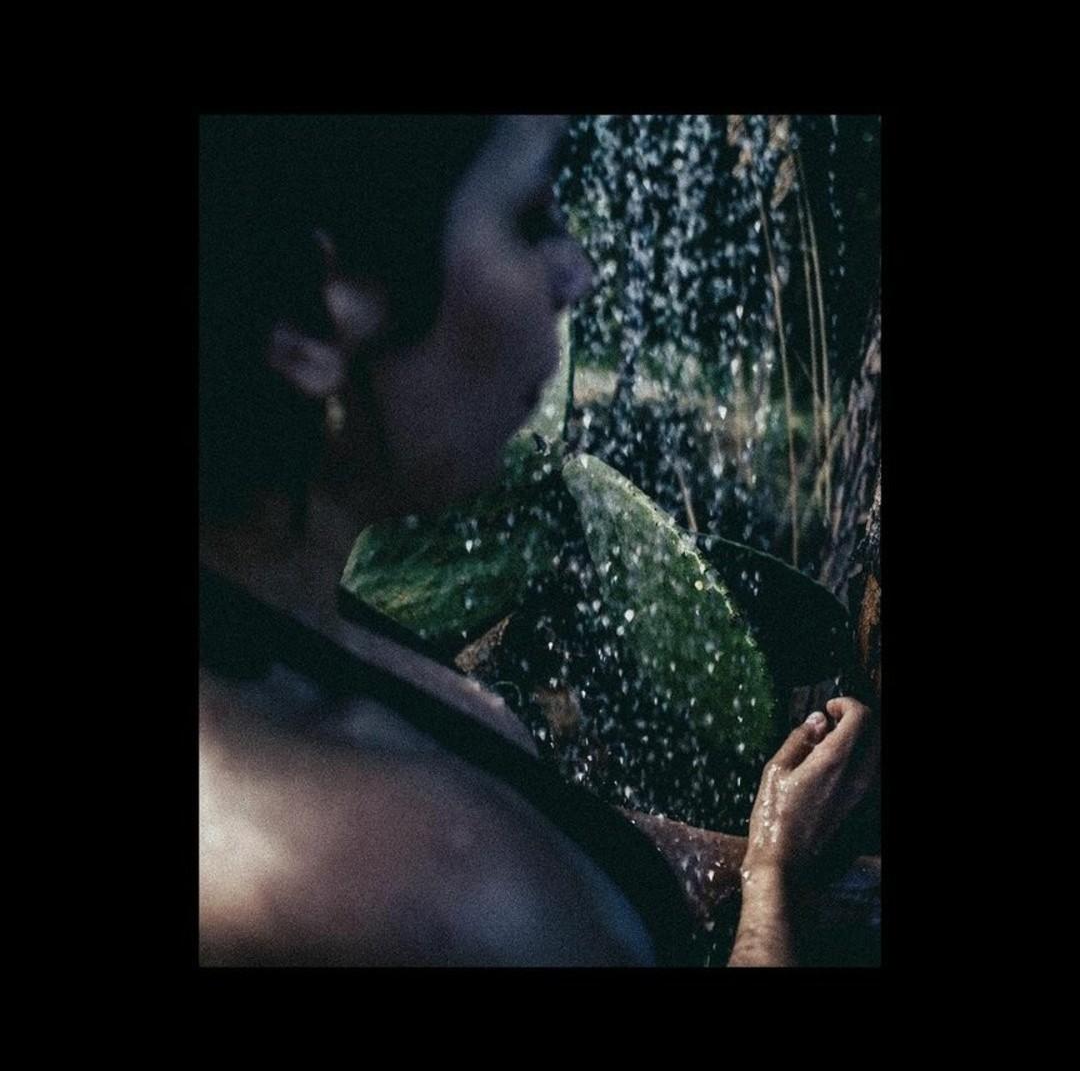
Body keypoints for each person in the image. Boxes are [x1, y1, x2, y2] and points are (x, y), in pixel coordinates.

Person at [199, 113, 878, 967]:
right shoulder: (398, 887)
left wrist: (754, 851)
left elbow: (557, 827)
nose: (578, 274)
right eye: (528, 219)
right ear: (312, 320)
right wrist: (773, 879)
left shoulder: (280, 623)